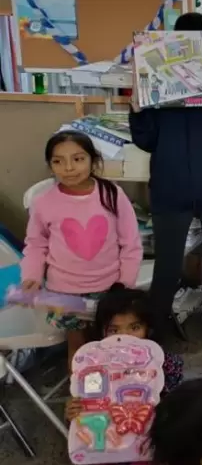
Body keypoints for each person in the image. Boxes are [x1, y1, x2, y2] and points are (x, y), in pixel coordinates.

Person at [129, 13, 202, 320]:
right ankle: (155, 338)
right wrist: (138, 108)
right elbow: (146, 140)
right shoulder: (159, 78)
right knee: (167, 266)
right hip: (171, 190)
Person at [21, 130, 142, 361]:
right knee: (77, 350)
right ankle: (80, 395)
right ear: (50, 165)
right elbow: (36, 245)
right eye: (58, 161)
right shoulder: (44, 202)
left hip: (109, 287)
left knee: (109, 346)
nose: (68, 168)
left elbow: (131, 244)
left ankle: (110, 393)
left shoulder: (112, 195)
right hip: (64, 291)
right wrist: (32, 276)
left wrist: (124, 284)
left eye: (77, 159)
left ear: (93, 160)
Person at [65, 288, 183, 465]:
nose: (124, 336)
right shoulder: (92, 366)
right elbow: (85, 410)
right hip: (108, 452)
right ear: (102, 331)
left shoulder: (165, 363)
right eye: (114, 330)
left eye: (134, 327)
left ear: (148, 329)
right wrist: (73, 412)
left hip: (147, 449)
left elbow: (178, 411)